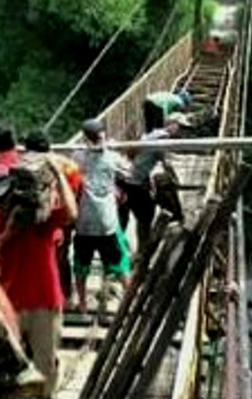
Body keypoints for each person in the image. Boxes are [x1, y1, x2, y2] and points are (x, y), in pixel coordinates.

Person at [0, 160, 78, 399]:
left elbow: (71, 214)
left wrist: (59, 175)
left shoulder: (40, 218)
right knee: (9, 365)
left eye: (3, 198)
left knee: (46, 363)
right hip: (9, 303)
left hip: (44, 300)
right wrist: (7, 236)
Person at [71, 119, 132, 314]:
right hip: (107, 223)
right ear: (103, 135)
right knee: (121, 264)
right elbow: (130, 172)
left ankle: (82, 304)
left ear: (85, 138)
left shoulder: (77, 156)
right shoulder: (112, 157)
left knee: (81, 266)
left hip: (84, 224)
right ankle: (130, 301)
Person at [120, 112, 192, 256]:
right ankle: (142, 253)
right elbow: (166, 162)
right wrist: (175, 181)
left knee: (131, 217)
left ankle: (130, 253)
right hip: (134, 181)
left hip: (127, 178)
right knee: (145, 217)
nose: (183, 131)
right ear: (171, 124)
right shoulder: (162, 138)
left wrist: (150, 178)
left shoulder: (152, 134)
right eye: (181, 127)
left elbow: (144, 159)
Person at [23, 130, 82, 302]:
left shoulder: (27, 168)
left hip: (37, 221)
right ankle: (65, 295)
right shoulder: (70, 166)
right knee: (61, 258)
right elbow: (78, 193)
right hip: (64, 218)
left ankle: (43, 295)